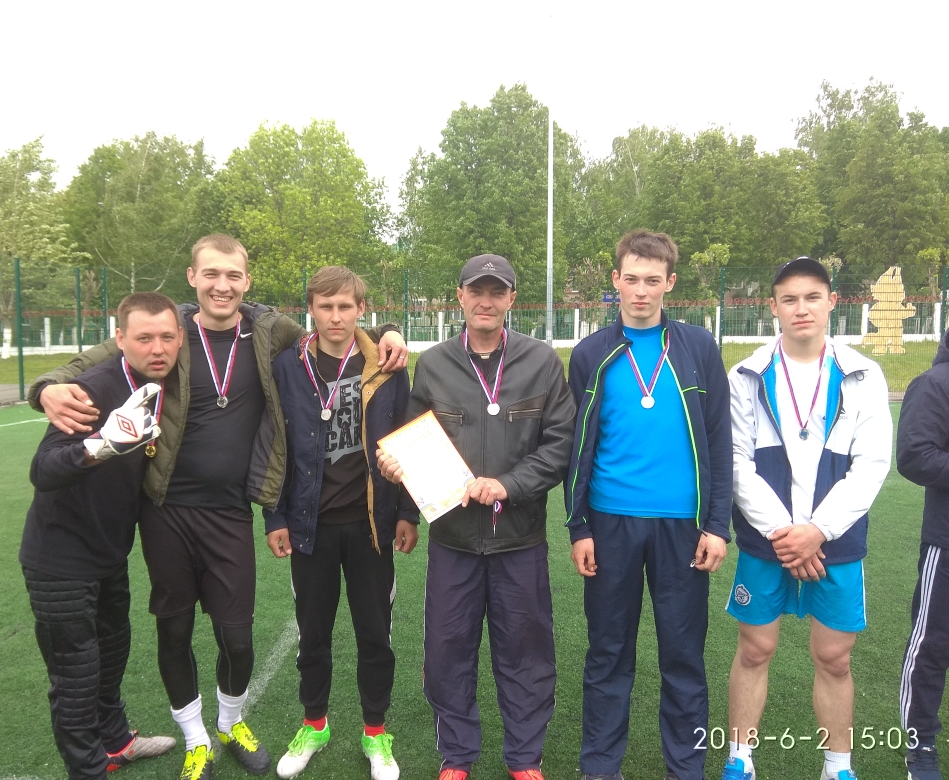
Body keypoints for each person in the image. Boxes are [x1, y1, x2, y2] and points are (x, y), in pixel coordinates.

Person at [26, 234, 409, 780]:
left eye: (232, 275)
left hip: (242, 511)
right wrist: (47, 385)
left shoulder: (272, 331)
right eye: (211, 274)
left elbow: (345, 334)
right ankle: (202, 736)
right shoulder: (172, 329)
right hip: (169, 508)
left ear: (247, 280)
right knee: (178, 629)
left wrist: (389, 331)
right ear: (193, 277)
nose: (222, 285)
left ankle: (243, 724)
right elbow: (106, 353)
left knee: (243, 635)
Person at [377, 254, 576, 780]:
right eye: (477, 291)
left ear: (512, 299)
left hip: (520, 540)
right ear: (460, 296)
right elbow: (413, 439)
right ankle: (457, 756)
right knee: (447, 652)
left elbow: (560, 444)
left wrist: (509, 485)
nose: (486, 301)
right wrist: (399, 470)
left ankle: (525, 758)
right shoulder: (435, 364)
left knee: (527, 653)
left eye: (497, 292)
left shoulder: (541, 361)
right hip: (454, 542)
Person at [565, 230, 732, 780]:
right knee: (608, 653)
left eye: (652, 281)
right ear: (615, 280)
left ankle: (686, 769)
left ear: (670, 283)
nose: (641, 291)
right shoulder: (590, 353)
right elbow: (577, 448)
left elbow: (719, 439)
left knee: (683, 656)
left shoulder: (699, 347)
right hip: (610, 524)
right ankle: (600, 768)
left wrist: (717, 525)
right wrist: (578, 527)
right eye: (631, 279)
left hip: (683, 529)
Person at [721, 256, 892, 780]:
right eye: (789, 299)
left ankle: (837, 767)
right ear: (772, 307)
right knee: (755, 650)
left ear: (832, 302)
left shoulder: (864, 373)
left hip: (834, 541)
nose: (801, 309)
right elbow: (735, 461)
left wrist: (817, 530)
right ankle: (739, 759)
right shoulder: (745, 375)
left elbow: (872, 463)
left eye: (812, 297)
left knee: (834, 658)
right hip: (767, 539)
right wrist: (785, 533)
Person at [264, 266, 419, 780]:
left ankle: (376, 733)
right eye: (325, 306)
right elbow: (275, 443)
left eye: (345, 306)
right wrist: (275, 514)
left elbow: (406, 437)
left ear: (361, 309)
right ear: (310, 308)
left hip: (372, 525)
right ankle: (315, 724)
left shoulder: (386, 364)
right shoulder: (288, 366)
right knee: (313, 636)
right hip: (310, 525)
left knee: (375, 635)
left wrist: (408, 512)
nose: (335, 316)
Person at [21, 292, 183, 780]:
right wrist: (98, 447)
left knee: (111, 656)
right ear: (120, 339)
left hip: (109, 553)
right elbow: (43, 470)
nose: (158, 348)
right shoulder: (93, 388)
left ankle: (116, 741)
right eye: (144, 338)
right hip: (60, 557)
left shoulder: (157, 384)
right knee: (75, 674)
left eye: (167, 337)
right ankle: (88, 769)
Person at [897, 329, 949, 780]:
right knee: (931, 648)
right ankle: (921, 745)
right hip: (946, 545)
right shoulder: (935, 384)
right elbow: (914, 456)